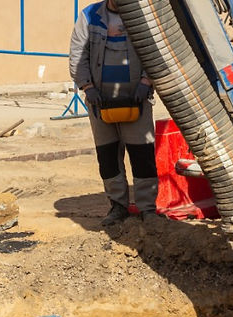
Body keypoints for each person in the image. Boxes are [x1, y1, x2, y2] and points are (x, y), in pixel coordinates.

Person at [69, 0, 159, 226]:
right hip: (101, 103)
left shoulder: (143, 15)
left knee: (142, 156)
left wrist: (146, 82)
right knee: (108, 157)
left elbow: (155, 51)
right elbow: (78, 54)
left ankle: (147, 208)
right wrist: (87, 87)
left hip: (136, 101)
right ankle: (118, 206)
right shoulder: (89, 16)